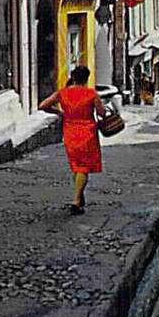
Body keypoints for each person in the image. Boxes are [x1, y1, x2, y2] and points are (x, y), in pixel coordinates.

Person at [39, 66, 108, 215]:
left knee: (77, 164)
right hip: (87, 132)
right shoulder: (91, 94)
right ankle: (76, 200)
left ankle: (80, 196)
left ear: (73, 77)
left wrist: (59, 112)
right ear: (86, 78)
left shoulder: (62, 93)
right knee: (83, 167)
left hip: (70, 131)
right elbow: (102, 113)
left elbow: (43, 105)